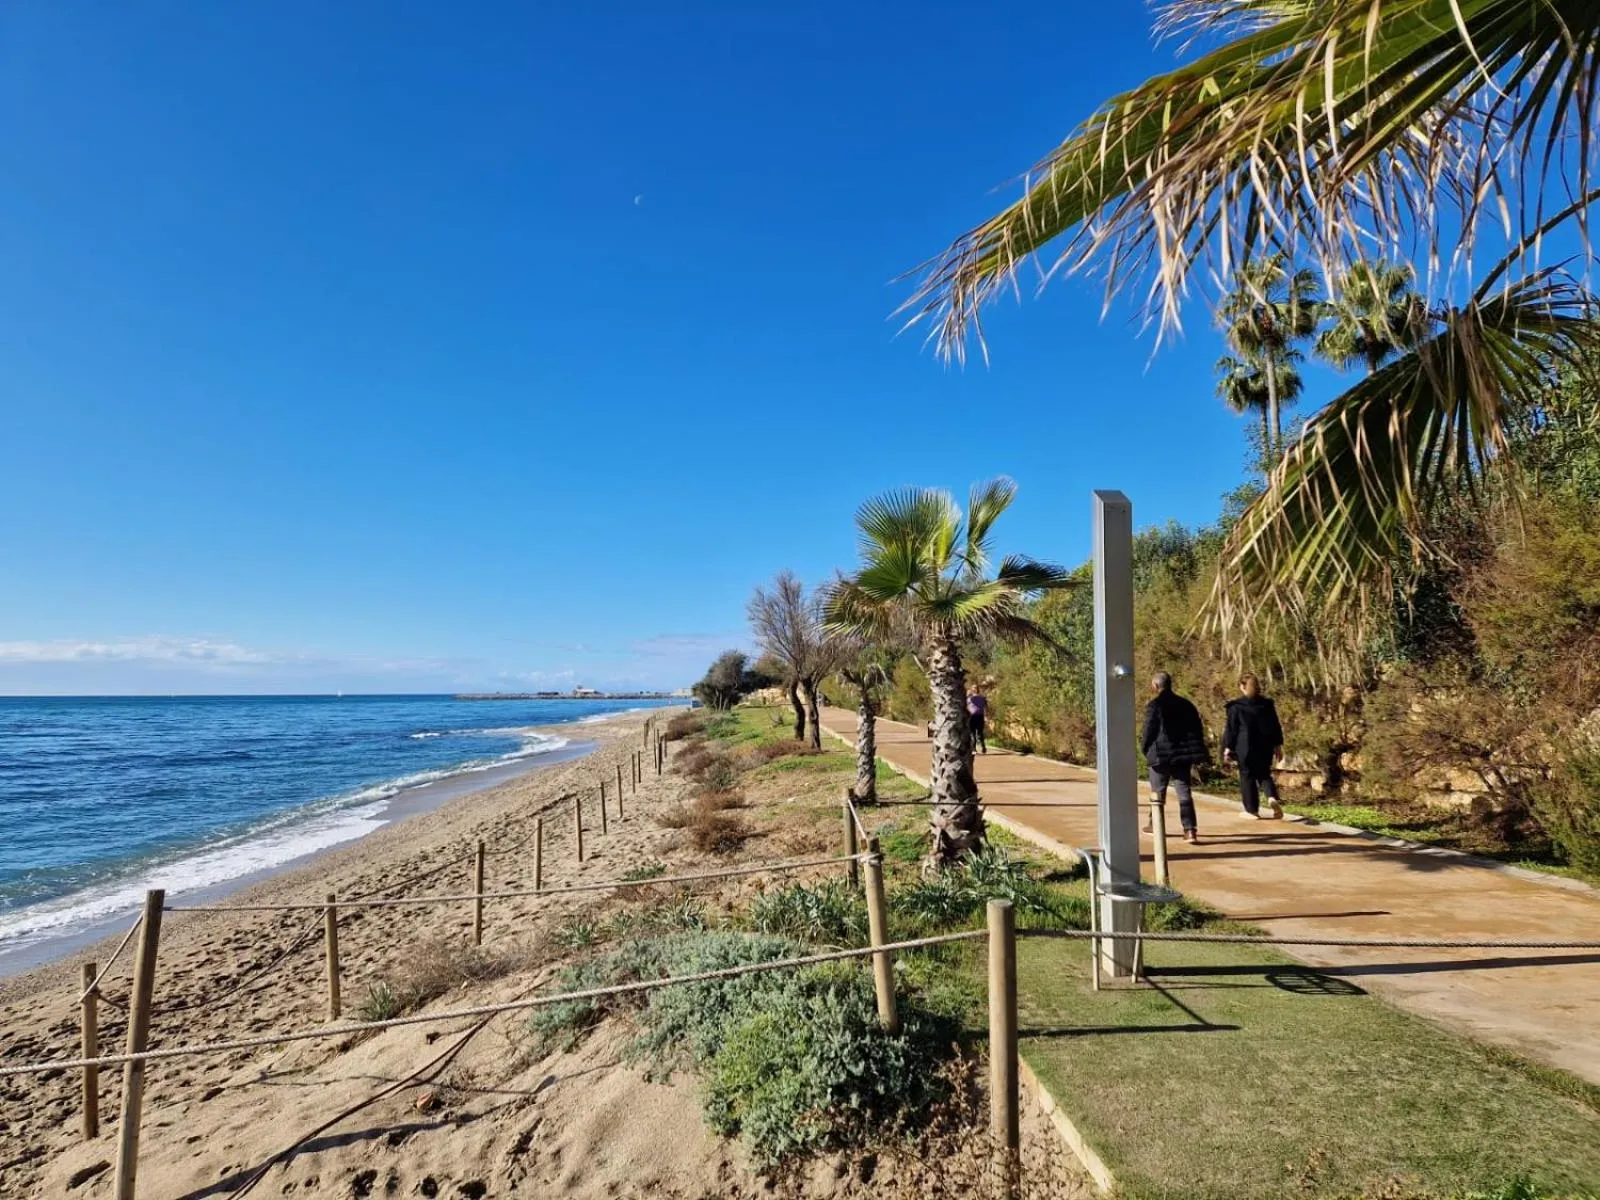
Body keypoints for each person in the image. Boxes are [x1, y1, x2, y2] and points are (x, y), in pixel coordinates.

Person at [1141, 672, 1209, 842]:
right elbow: (1197, 729)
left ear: (1155, 686)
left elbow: (1149, 731)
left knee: (1158, 792)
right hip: (1182, 757)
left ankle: (1155, 825)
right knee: (1184, 792)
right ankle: (1190, 829)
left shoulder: (1155, 705)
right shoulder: (1186, 705)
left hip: (1160, 755)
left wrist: (1145, 749)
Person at [1224, 673, 1285, 819]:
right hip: (1265, 745)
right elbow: (1275, 726)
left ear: (1242, 687)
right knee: (1264, 773)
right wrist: (1278, 746)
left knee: (1247, 775)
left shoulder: (1236, 707)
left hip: (1244, 745)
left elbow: (1231, 729)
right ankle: (1271, 797)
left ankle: (1252, 810)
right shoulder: (1267, 704)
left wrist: (1228, 748)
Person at [967, 684, 988, 754]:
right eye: (974, 688)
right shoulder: (969, 698)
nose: (975, 689)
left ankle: (983, 747)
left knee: (980, 733)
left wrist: (985, 716)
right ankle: (974, 749)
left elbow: (985, 707)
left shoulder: (982, 698)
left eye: (976, 688)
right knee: (972, 733)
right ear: (971, 689)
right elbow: (964, 704)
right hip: (972, 717)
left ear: (978, 689)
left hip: (980, 716)